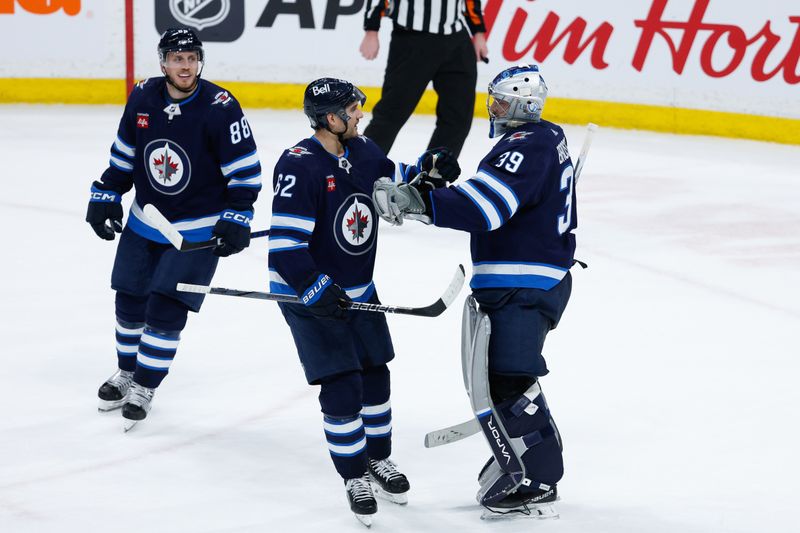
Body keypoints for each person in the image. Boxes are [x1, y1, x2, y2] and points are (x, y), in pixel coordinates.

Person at [372, 64, 575, 516]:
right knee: (505, 377)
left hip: (523, 283)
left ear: (524, 106)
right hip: (529, 276)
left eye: (501, 102)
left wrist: (420, 203)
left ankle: (540, 475)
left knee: (509, 376)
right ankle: (532, 453)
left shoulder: (524, 145)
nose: (494, 108)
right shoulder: (546, 137)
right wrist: (422, 179)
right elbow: (492, 193)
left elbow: (489, 207)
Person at [267, 77, 459, 526]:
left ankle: (377, 459)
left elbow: (400, 181)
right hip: (305, 291)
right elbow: (286, 249)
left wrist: (429, 169)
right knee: (342, 383)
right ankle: (353, 474)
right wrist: (315, 289)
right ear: (330, 118)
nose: (360, 115)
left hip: (357, 288)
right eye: (352, 110)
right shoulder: (299, 165)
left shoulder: (364, 151)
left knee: (375, 373)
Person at [86, 28, 262, 430]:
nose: (185, 66)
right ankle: (127, 372)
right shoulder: (143, 95)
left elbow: (245, 171)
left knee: (165, 310)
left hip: (195, 232)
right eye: (177, 58)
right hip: (145, 220)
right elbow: (125, 155)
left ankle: (146, 385)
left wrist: (237, 216)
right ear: (163, 62)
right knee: (129, 302)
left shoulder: (220, 106)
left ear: (199, 61)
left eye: (191, 58)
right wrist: (107, 192)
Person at [360, 0, 489, 158]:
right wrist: (372, 30)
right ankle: (360, 170)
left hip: (456, 40)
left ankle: (433, 177)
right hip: (412, 39)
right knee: (392, 113)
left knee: (458, 117)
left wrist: (478, 31)